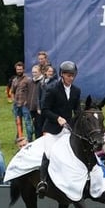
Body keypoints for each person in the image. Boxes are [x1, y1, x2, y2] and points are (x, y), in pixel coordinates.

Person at [37, 60, 81, 197]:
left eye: (73, 75)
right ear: (62, 75)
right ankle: (42, 182)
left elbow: (77, 110)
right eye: (68, 75)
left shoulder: (76, 91)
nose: (71, 78)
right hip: (52, 128)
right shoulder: (52, 89)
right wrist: (57, 118)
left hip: (67, 129)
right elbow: (44, 110)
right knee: (49, 153)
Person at [10, 61, 34, 142]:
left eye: (20, 69)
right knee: (18, 122)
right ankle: (19, 137)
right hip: (16, 104)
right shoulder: (14, 80)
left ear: (23, 69)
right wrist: (13, 100)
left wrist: (27, 101)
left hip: (25, 105)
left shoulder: (28, 79)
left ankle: (30, 138)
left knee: (27, 122)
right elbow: (12, 91)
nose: (19, 71)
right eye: (17, 69)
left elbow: (31, 91)